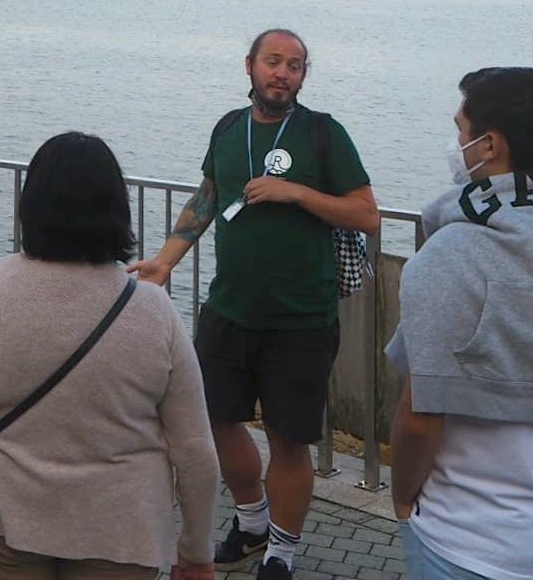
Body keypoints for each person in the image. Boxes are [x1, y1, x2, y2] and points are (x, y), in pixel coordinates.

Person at [0, 132, 219, 580]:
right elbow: (195, 453)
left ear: (30, 204)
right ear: (118, 209)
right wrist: (195, 551)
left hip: (6, 518)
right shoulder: (155, 312)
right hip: (123, 531)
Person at [129, 30, 379, 579]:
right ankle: (252, 521)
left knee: (291, 443)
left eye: (294, 65)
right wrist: (167, 259)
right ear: (250, 66)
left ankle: (282, 552)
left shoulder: (322, 133)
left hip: (302, 319)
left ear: (302, 76)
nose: (283, 73)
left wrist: (297, 193)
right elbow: (210, 195)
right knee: (214, 420)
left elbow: (366, 214)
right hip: (229, 310)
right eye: (273, 62)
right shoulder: (227, 128)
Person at [387, 67, 533, 580]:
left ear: (490, 146)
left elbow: (421, 413)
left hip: (468, 542)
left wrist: (402, 500)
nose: (456, 142)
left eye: (461, 130)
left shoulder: (450, 256)